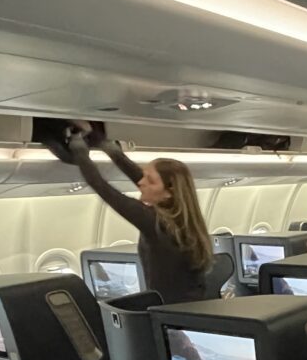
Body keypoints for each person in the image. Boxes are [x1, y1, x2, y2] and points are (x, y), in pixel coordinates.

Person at [52, 125, 215, 304]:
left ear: (169, 192)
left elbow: (103, 189)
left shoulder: (157, 224)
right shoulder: (182, 220)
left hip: (173, 317)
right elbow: (142, 179)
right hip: (191, 309)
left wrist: (79, 151)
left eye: (150, 180)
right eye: (144, 176)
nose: (142, 183)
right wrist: (109, 148)